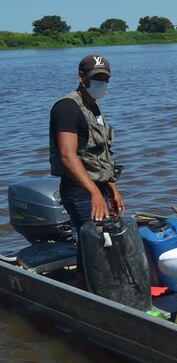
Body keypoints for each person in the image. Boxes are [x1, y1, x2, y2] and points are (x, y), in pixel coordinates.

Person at [49, 54, 124, 284]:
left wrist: (112, 188)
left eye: (104, 78)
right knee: (96, 239)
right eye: (96, 78)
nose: (101, 83)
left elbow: (101, 154)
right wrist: (93, 193)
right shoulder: (67, 108)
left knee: (94, 241)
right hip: (79, 190)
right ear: (81, 77)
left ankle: (85, 284)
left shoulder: (95, 109)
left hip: (99, 187)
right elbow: (67, 155)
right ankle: (87, 288)